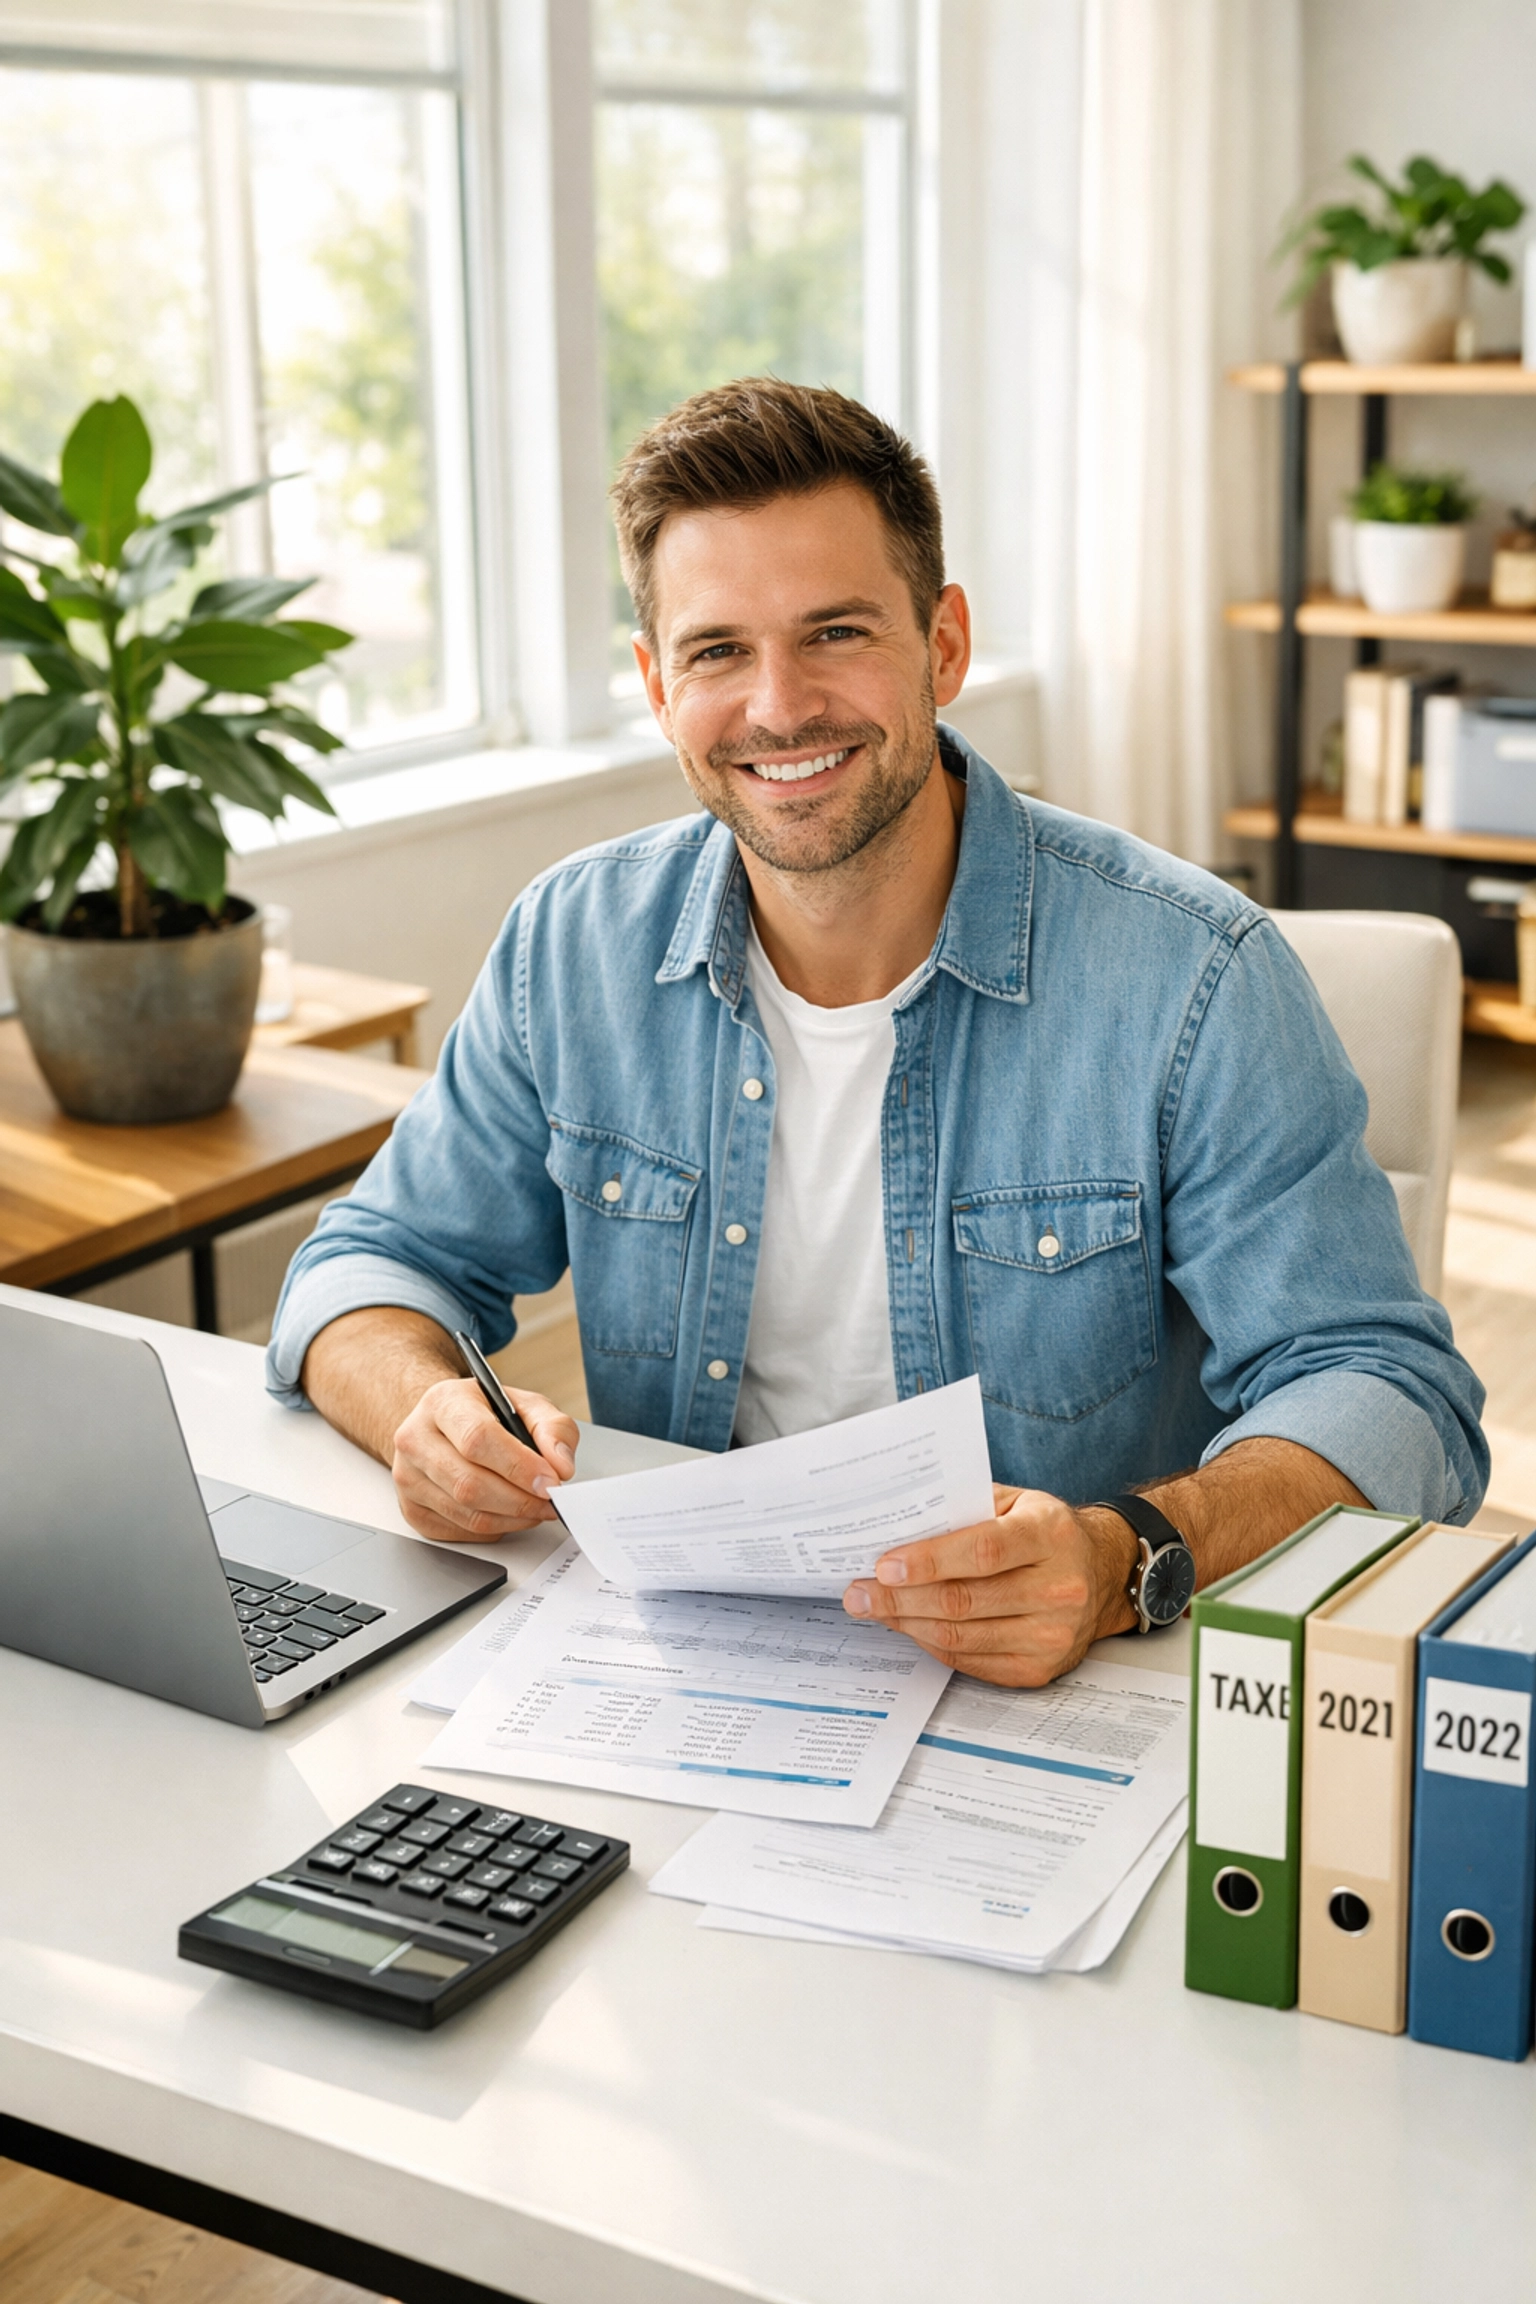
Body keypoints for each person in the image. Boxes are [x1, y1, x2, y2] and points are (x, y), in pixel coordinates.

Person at [268, 378, 1487, 1688]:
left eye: (836, 632)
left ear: (942, 645)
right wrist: (427, 1416)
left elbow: (1393, 1393)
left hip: (1064, 1687)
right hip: (689, 1665)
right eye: (717, 651)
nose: (780, 707)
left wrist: (1127, 1554)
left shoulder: (1194, 977)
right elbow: (370, 1267)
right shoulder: (572, 946)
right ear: (655, 684)